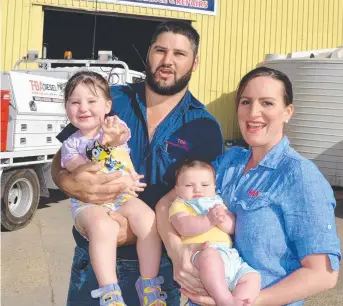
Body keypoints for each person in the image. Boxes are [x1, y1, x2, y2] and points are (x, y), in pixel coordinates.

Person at [51, 21, 224, 305]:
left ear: (195, 62)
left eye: (179, 54)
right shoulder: (111, 99)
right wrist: (66, 181)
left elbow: (203, 195)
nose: (167, 61)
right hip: (92, 264)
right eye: (160, 50)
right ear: (148, 54)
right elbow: (62, 156)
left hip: (158, 271)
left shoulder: (204, 127)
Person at [156, 66, 341, 306]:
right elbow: (165, 205)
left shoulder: (299, 175)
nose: (254, 113)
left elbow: (323, 274)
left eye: (267, 103)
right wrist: (177, 254)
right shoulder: (227, 164)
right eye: (246, 102)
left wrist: (246, 302)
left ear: (287, 112)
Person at [61, 70, 166, 306]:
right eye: (74, 102)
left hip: (122, 197)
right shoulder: (71, 145)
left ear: (108, 105)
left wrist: (126, 174)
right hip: (90, 203)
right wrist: (103, 144)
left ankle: (149, 283)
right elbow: (85, 174)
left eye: (91, 101)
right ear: (66, 108)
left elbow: (121, 138)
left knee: (149, 219)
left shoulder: (115, 126)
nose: (83, 108)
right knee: (103, 226)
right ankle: (110, 291)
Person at [169, 159, 260, 306]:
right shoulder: (180, 204)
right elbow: (183, 226)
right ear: (177, 189)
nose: (197, 190)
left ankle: (241, 301)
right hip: (201, 254)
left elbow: (232, 228)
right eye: (189, 185)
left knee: (252, 277)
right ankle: (225, 301)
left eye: (205, 185)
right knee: (210, 257)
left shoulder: (217, 202)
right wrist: (209, 220)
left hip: (230, 256)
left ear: (214, 187)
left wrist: (224, 219)